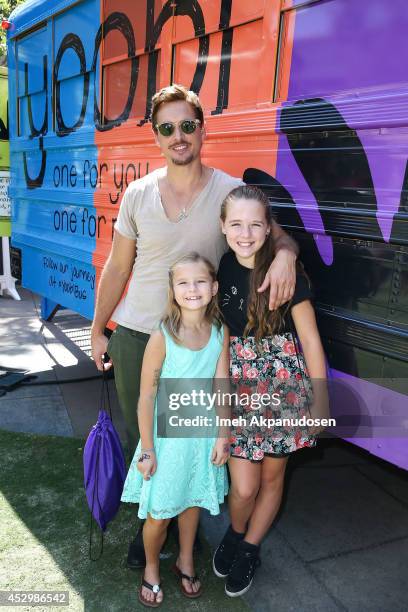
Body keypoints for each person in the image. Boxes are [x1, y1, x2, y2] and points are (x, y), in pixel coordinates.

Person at [90, 84, 299, 568]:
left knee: (187, 438)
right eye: (167, 128)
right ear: (156, 137)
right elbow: (118, 268)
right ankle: (152, 527)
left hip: (196, 342)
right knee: (144, 436)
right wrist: (100, 328)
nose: (178, 136)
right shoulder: (138, 194)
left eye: (187, 125)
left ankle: (180, 528)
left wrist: (286, 255)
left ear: (202, 129)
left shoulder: (228, 191)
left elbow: (277, 234)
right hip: (138, 334)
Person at [213, 185, 328, 597]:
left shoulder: (285, 273)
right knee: (243, 486)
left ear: (268, 228)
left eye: (255, 224)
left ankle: (249, 548)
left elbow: (311, 340)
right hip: (241, 389)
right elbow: (221, 339)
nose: (246, 233)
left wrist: (320, 403)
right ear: (223, 227)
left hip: (282, 385)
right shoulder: (223, 267)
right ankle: (237, 529)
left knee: (273, 477)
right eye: (237, 224)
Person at [121, 253, 230, 607]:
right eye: (183, 282)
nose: (192, 289)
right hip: (166, 441)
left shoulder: (219, 332)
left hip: (201, 435)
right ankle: (151, 567)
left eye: (200, 282)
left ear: (213, 288)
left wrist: (223, 433)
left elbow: (222, 384)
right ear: (172, 290)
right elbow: (147, 395)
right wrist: (148, 449)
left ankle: (185, 559)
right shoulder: (162, 336)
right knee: (160, 512)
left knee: (192, 500)